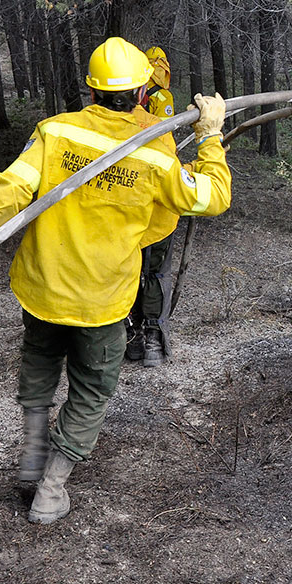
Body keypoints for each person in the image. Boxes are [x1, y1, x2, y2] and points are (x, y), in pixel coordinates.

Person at [0, 37, 230, 525]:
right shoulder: (154, 150)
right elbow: (210, 197)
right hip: (102, 304)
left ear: (90, 92)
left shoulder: (54, 132)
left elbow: (9, 193)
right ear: (142, 93)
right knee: (90, 391)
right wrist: (211, 136)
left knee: (41, 364)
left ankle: (32, 459)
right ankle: (49, 490)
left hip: (43, 290)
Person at [126, 45, 177, 366]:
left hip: (125, 206)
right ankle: (152, 340)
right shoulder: (162, 102)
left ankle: (130, 337)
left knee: (128, 270)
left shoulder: (108, 120)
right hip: (156, 204)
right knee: (156, 273)